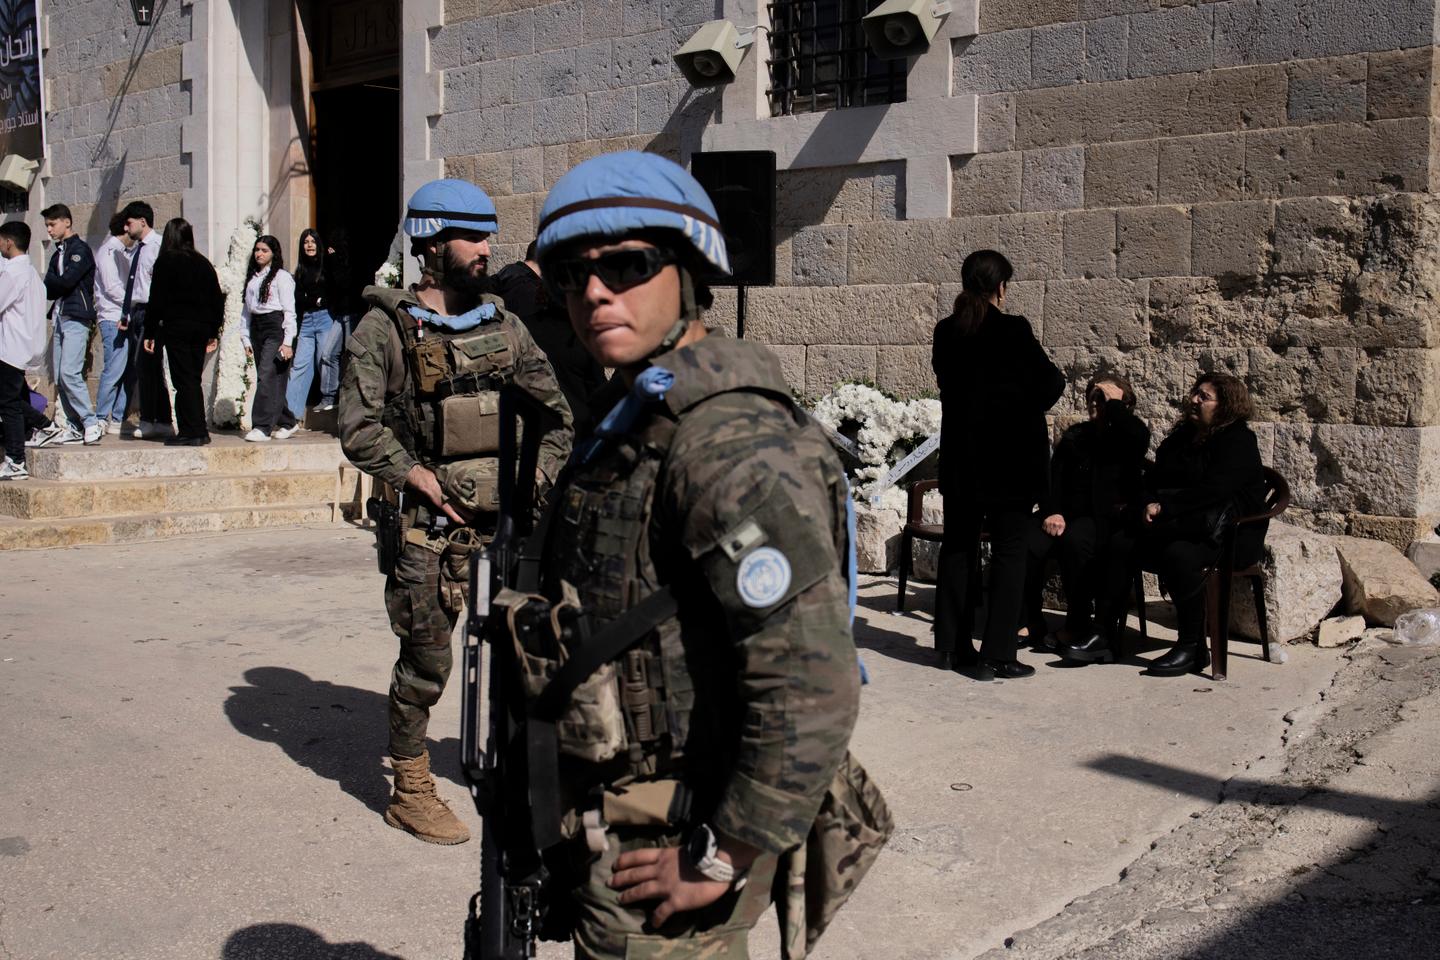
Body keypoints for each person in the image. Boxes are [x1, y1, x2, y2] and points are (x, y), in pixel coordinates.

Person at [523, 150, 869, 958]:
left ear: (688, 273)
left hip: (671, 840)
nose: (594, 292)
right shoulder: (635, 415)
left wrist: (721, 856)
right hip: (612, 816)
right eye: (572, 276)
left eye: (626, 266)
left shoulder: (721, 440)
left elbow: (814, 682)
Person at [337, 178, 573, 844]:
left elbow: (558, 416)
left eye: (489, 234)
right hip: (429, 532)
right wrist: (416, 476)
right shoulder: (385, 328)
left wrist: (536, 482)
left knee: (524, 654)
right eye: (472, 236)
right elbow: (358, 427)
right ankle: (410, 784)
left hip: (506, 532)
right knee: (428, 662)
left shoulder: (505, 324)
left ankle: (513, 765)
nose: (486, 247)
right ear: (432, 245)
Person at [1062, 372, 1269, 677]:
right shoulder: (1183, 437)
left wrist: (1166, 506)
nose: (1194, 400)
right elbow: (1155, 478)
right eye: (1195, 393)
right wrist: (1148, 501)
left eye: (1204, 396)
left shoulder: (1238, 440)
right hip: (1179, 525)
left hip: (1226, 535)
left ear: (1226, 406)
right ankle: (1102, 634)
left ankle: (1192, 647)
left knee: (1179, 554)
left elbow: (1214, 490)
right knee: (1121, 543)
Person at [932, 250, 1065, 682]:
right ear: (1001, 287)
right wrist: (1021, 408)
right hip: (1009, 463)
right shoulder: (1013, 329)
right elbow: (1051, 381)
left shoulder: (946, 332)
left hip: (962, 461)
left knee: (957, 548)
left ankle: (951, 646)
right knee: (1009, 554)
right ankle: (998, 653)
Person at [1022, 374, 1150, 650]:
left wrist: (1113, 405)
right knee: (1027, 542)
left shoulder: (1128, 437)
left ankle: (1077, 623)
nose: (1094, 402)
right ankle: (1029, 618)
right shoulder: (1076, 436)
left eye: (1101, 398)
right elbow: (1052, 480)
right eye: (1091, 396)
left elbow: (1138, 437)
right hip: (1062, 515)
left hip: (1101, 520)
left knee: (1076, 543)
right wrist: (1052, 512)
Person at [490, 239, 608, 434]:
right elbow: (597, 391)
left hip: (535, 431)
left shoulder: (518, 327)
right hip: (575, 432)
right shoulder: (579, 334)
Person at [143, 218, 224, 446]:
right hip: (200, 328)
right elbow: (216, 299)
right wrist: (213, 330)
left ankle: (191, 431)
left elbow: (156, 300)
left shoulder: (166, 261)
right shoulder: (203, 263)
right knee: (193, 378)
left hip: (177, 327)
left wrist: (150, 331)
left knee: (183, 379)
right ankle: (198, 429)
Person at [39, 203, 102, 445]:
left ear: (67, 222)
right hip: (60, 317)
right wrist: (58, 283)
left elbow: (65, 282)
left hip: (77, 317)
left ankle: (90, 421)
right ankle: (74, 426)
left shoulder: (80, 250)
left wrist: (58, 283)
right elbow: (49, 287)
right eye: (47, 226)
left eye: (52, 224)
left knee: (70, 372)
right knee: (59, 375)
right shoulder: (58, 253)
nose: (50, 230)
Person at [118, 201, 172, 439]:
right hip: (138, 311)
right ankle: (159, 419)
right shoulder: (136, 249)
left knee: (147, 365)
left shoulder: (158, 246)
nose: (126, 228)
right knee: (147, 368)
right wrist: (127, 314)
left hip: (153, 311)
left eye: (129, 223)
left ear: (143, 221)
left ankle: (153, 418)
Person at [0, 222, 48, 480]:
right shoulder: (31, 273)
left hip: (10, 347)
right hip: (25, 345)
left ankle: (16, 459)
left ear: (8, 241)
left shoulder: (13, 274)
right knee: (12, 399)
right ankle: (46, 426)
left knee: (8, 404)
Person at [239, 235, 300, 443]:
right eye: (257, 249)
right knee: (269, 377)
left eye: (264, 250)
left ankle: (262, 426)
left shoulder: (282, 277)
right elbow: (246, 311)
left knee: (266, 375)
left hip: (275, 327)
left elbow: (289, 311)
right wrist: (245, 338)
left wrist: (288, 341)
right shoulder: (253, 278)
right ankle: (288, 421)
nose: (259, 254)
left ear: (273, 253)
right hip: (257, 328)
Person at [284, 228, 336, 422]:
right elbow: (298, 300)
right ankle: (290, 414)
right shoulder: (300, 271)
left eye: (312, 241)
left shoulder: (326, 267)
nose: (309, 245)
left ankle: (329, 399)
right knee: (299, 366)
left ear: (318, 244)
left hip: (324, 319)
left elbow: (331, 293)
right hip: (306, 321)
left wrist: (315, 300)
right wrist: (314, 300)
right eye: (306, 242)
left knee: (324, 359)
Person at [94, 214, 135, 435]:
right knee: (114, 368)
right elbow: (111, 287)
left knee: (129, 369)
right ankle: (102, 416)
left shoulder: (122, 252)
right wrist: (135, 299)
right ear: (126, 229)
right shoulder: (108, 251)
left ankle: (118, 416)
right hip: (112, 317)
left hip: (125, 316)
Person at [314, 228, 361, 412]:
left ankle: (350, 399)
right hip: (339, 315)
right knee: (328, 354)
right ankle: (328, 397)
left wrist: (334, 260)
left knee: (351, 357)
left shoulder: (349, 263)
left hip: (352, 313)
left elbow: (344, 283)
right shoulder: (332, 262)